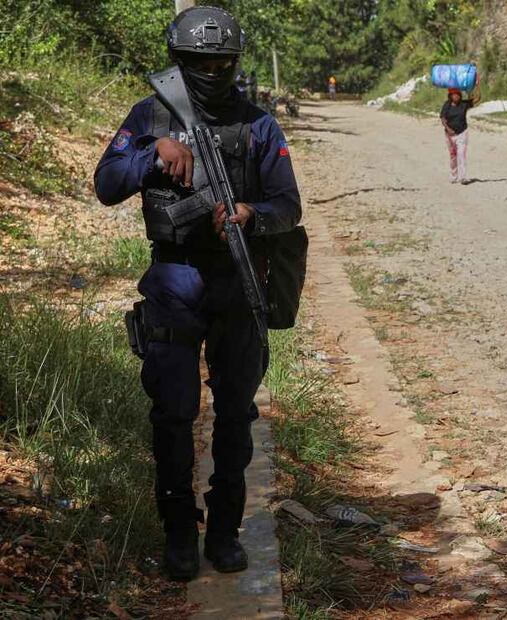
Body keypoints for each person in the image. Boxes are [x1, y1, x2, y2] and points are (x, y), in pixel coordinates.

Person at [93, 6, 301, 582]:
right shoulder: (150, 115)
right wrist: (150, 155)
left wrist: (249, 214)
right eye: (200, 62)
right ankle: (180, 535)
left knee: (236, 413)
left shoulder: (259, 125)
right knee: (173, 414)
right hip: (175, 282)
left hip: (238, 286)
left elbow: (290, 206)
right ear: (179, 62)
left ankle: (227, 532)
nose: (213, 71)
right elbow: (106, 183)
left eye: (223, 62)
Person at [439, 75, 481, 185]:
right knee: (453, 156)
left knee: (461, 154)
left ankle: (463, 178)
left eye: (458, 94)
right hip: (449, 135)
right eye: (455, 94)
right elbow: (443, 118)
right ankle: (454, 176)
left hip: (462, 132)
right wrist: (448, 129)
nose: (457, 96)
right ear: (450, 96)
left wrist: (477, 85)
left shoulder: (464, 104)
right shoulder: (447, 105)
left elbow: (477, 99)